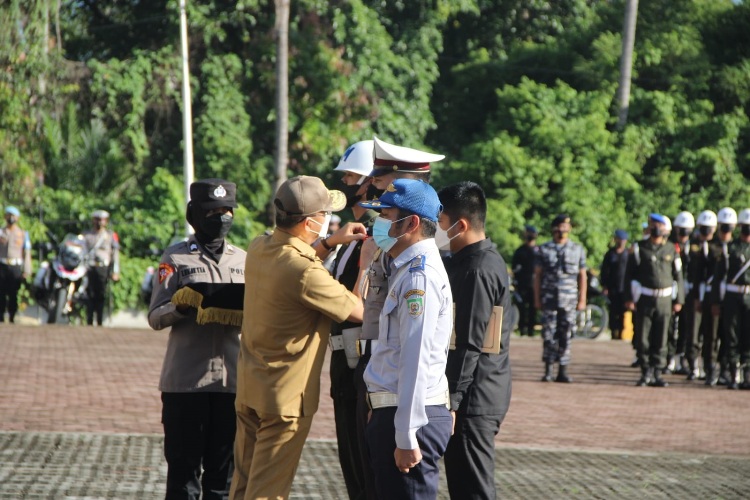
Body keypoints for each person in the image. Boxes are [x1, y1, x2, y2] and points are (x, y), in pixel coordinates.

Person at [230, 176, 366, 500]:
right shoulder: (307, 273)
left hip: (251, 387)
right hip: (285, 401)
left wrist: (329, 243)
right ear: (309, 223)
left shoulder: (258, 248)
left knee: (243, 486)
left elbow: (294, 263)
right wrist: (367, 262)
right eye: (325, 215)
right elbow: (359, 311)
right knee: (267, 492)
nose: (329, 219)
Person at [354, 136, 443, 500]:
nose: (380, 223)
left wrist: (405, 433)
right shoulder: (405, 268)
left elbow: (416, 358)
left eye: (388, 216)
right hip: (395, 411)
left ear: (411, 224)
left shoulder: (418, 277)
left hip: (410, 420)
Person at [148, 179, 247, 499]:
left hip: (231, 382)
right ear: (195, 215)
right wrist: (182, 305)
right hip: (186, 383)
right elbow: (155, 317)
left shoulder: (245, 260)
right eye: (212, 211)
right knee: (183, 474)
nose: (221, 217)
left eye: (226, 210)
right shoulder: (175, 257)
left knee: (223, 477)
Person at [438, 182, 512, 500]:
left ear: (461, 224)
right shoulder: (474, 260)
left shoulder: (478, 269)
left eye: (439, 220)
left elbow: (468, 342)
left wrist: (452, 400)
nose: (435, 228)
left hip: (472, 399)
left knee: (474, 490)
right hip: (475, 393)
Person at [328, 140, 379, 500]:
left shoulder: (379, 234)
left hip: (363, 359)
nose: (346, 183)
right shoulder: (350, 234)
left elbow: (362, 301)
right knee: (350, 457)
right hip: (342, 361)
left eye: (352, 176)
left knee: (365, 461)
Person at [624, 213, 685, 387]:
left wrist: (679, 299)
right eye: (654, 225)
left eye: (660, 226)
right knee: (643, 338)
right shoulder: (639, 248)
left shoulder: (672, 249)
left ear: (666, 229)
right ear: (649, 227)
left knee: (661, 337)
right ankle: (645, 372)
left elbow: (678, 276)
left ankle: (658, 372)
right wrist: (629, 298)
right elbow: (629, 275)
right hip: (645, 297)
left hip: (665, 300)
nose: (657, 229)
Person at [533, 214, 587, 383]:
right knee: (548, 334)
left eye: (566, 227)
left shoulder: (577, 249)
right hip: (549, 299)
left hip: (569, 300)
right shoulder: (544, 249)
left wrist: (582, 299)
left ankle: (563, 370)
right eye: (560, 226)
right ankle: (549, 369)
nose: (563, 230)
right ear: (554, 228)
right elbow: (537, 276)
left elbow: (582, 276)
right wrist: (537, 298)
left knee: (566, 334)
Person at [712, 208, 750, 389]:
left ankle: (747, 375)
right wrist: (716, 302)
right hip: (732, 296)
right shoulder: (730, 248)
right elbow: (719, 278)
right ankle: (734, 374)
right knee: (732, 336)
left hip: (749, 296)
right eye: (745, 226)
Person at [686, 210, 717, 380]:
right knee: (693, 330)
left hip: (712, 293)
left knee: (711, 333)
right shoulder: (693, 246)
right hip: (696, 291)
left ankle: (709, 366)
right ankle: (693, 364)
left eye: (709, 228)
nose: (706, 232)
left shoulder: (718, 247)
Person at [666, 211, 694, 374]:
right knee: (671, 327)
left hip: (689, 291)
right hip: (673, 289)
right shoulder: (669, 246)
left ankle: (681, 359)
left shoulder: (695, 246)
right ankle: (669, 358)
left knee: (685, 327)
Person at [82, 210, 120, 325]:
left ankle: (99, 321)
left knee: (101, 294)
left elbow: (115, 255)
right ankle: (89, 320)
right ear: (93, 220)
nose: (99, 222)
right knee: (89, 294)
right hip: (89, 267)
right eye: (97, 219)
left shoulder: (110, 235)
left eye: (102, 220)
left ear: (106, 221)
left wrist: (115, 271)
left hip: (103, 268)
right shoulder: (86, 235)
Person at [0, 206, 32, 323]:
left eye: (13, 216)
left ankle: (12, 316)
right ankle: (1, 317)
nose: (11, 218)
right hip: (2, 265)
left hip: (15, 267)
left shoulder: (23, 234)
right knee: (1, 293)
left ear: (17, 218)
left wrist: (27, 270)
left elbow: (26, 253)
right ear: (5, 217)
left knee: (13, 293)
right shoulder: (1, 232)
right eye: (8, 215)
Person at [600, 229, 629, 340]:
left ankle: (621, 334)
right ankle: (613, 333)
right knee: (612, 311)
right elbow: (604, 271)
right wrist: (604, 286)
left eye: (623, 240)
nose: (621, 242)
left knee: (622, 312)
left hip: (624, 289)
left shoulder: (627, 254)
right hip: (612, 289)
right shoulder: (610, 254)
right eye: (619, 239)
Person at [512, 225, 539, 336]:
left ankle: (531, 331)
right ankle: (522, 330)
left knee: (533, 309)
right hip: (522, 284)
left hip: (534, 285)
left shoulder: (538, 251)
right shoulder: (520, 251)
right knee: (522, 308)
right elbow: (515, 268)